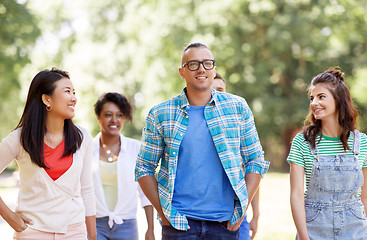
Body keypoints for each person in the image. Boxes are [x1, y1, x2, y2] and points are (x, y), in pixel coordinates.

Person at [135, 42, 269, 240]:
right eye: (193, 64)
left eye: (207, 63)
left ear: (214, 69)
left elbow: (255, 160)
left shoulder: (237, 107)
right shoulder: (161, 114)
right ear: (182, 72)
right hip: (179, 225)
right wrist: (164, 213)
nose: (201, 69)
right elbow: (143, 167)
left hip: (225, 224)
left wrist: (243, 209)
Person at [0, 68, 96, 239]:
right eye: (67, 91)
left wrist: (93, 234)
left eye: (74, 92)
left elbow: (87, 189)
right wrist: (9, 216)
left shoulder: (83, 137)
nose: (74, 98)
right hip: (31, 232)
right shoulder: (19, 139)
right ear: (46, 99)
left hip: (74, 231)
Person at [288, 67, 367, 240]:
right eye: (312, 98)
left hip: (356, 231)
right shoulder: (302, 142)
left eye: (321, 96)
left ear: (339, 100)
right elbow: (296, 195)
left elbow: (365, 196)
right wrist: (303, 237)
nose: (314, 103)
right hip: (314, 230)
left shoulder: (362, 143)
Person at [93, 92, 155, 240]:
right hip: (94, 224)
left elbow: (146, 192)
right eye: (108, 114)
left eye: (119, 115)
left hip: (127, 225)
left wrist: (150, 229)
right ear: (98, 117)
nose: (114, 120)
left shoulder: (136, 148)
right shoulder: (86, 148)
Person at [212, 72, 260, 240]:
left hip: (238, 213)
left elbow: (253, 171)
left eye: (220, 89)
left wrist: (255, 214)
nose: (216, 93)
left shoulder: (237, 125)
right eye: (212, 89)